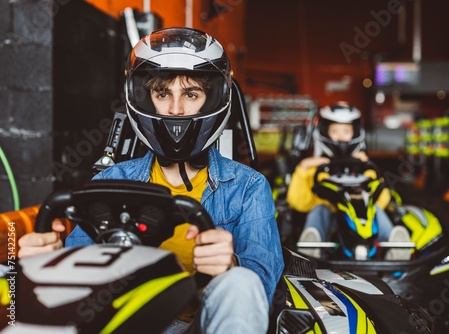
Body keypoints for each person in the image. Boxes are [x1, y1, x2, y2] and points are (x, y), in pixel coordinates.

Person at [18, 27, 284, 333]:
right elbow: (78, 273)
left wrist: (230, 267)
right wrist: (45, 265)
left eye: (191, 94)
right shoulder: (112, 179)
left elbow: (261, 286)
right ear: (146, 98)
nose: (175, 109)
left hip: (203, 324)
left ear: (213, 100)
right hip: (129, 324)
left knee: (241, 281)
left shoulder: (248, 186)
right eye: (162, 94)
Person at [287, 102, 409, 259]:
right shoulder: (313, 168)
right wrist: (303, 169)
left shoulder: (365, 167)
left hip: (361, 223)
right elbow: (298, 203)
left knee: (375, 209)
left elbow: (382, 199)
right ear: (325, 132)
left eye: (346, 131)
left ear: (356, 132)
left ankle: (396, 245)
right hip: (331, 228)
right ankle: (312, 245)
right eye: (335, 131)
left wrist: (365, 168)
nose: (340, 136)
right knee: (320, 209)